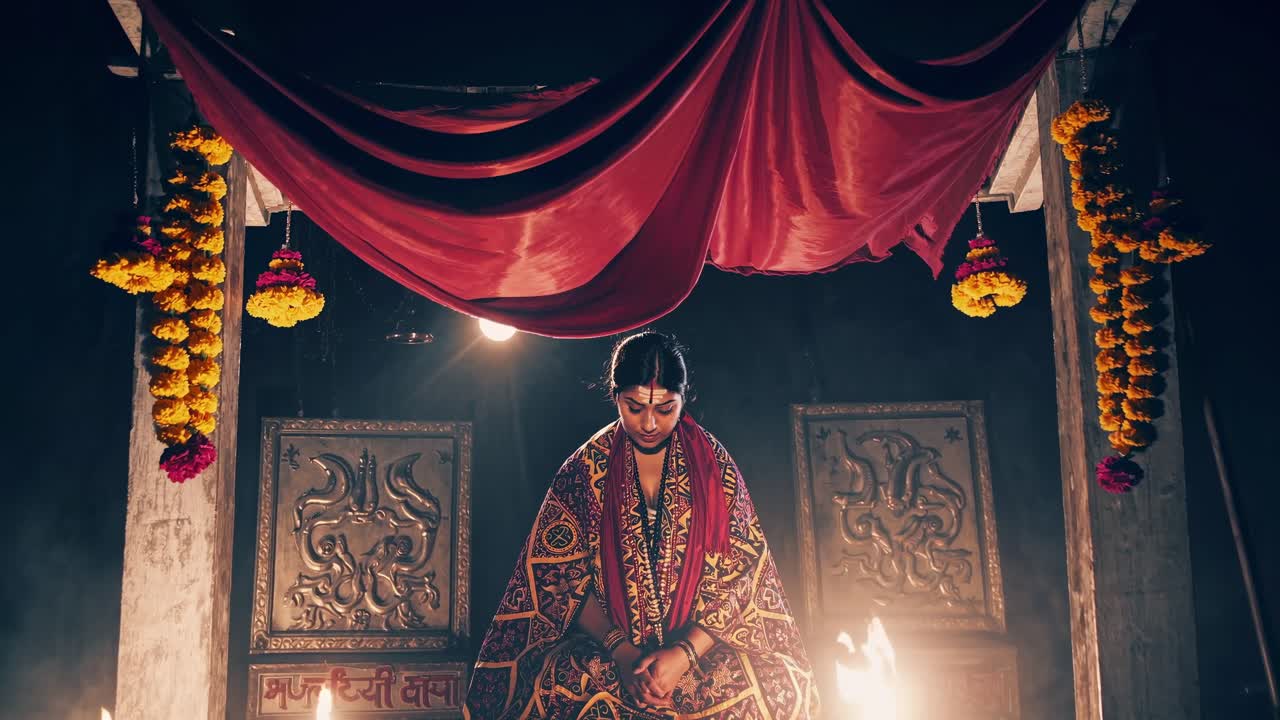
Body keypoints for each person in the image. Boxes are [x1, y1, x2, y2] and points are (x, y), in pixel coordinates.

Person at [464, 331, 818, 719]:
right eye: (634, 407)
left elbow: (743, 577)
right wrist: (623, 652)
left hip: (697, 652)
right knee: (556, 684)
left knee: (778, 687)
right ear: (615, 395)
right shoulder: (585, 469)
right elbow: (557, 577)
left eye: (666, 409)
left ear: (684, 400)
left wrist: (683, 655)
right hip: (611, 651)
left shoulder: (715, 466)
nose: (649, 423)